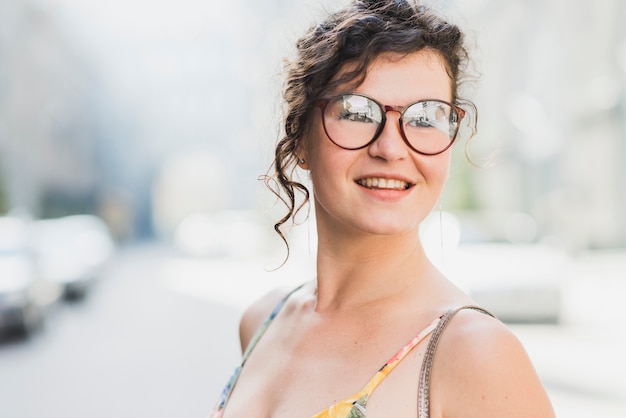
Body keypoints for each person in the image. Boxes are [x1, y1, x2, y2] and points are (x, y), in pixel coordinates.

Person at [210, 0, 556, 417]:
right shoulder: (262, 320)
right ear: (301, 137)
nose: (390, 148)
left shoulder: (473, 352)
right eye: (356, 111)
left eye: (426, 117)